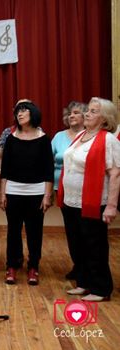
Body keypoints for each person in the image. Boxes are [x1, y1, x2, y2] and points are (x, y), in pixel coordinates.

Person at [59, 97, 120, 302]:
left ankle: (101, 288)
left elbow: (115, 174)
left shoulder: (108, 139)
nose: (87, 113)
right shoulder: (82, 135)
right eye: (89, 110)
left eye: (93, 111)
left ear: (105, 119)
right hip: (71, 201)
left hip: (94, 201)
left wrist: (111, 206)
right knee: (77, 243)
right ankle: (84, 282)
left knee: (95, 245)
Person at [0, 101, 54, 285]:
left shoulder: (44, 139)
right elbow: (5, 170)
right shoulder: (11, 138)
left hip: (37, 192)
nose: (20, 114)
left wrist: (47, 196)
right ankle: (12, 266)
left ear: (33, 113)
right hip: (13, 190)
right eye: (17, 112)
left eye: (23, 111)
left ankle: (33, 267)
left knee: (34, 231)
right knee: (13, 231)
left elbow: (48, 170)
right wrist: (2, 193)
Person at [51, 101, 86, 280]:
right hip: (62, 189)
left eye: (77, 113)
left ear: (86, 117)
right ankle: (78, 265)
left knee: (84, 230)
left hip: (85, 190)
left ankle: (87, 268)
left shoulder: (90, 136)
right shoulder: (58, 137)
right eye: (70, 113)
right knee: (71, 230)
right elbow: (48, 161)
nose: (72, 116)